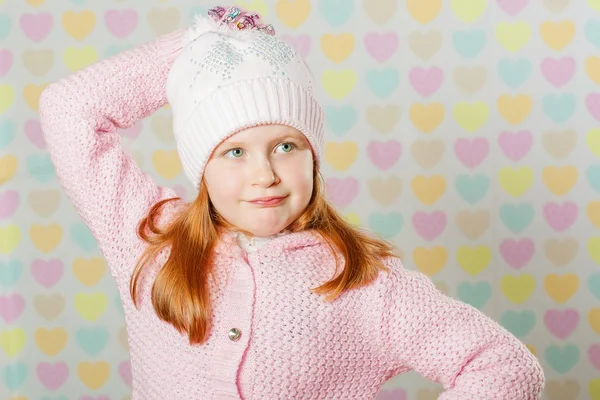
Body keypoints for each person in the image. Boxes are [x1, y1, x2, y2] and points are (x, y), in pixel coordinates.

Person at [38, 5, 545, 399]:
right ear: (202, 167)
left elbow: (505, 365)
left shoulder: (362, 283)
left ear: (313, 155)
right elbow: (68, 107)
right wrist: (198, 48)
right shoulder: (149, 236)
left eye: (286, 146)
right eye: (234, 152)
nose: (264, 174)